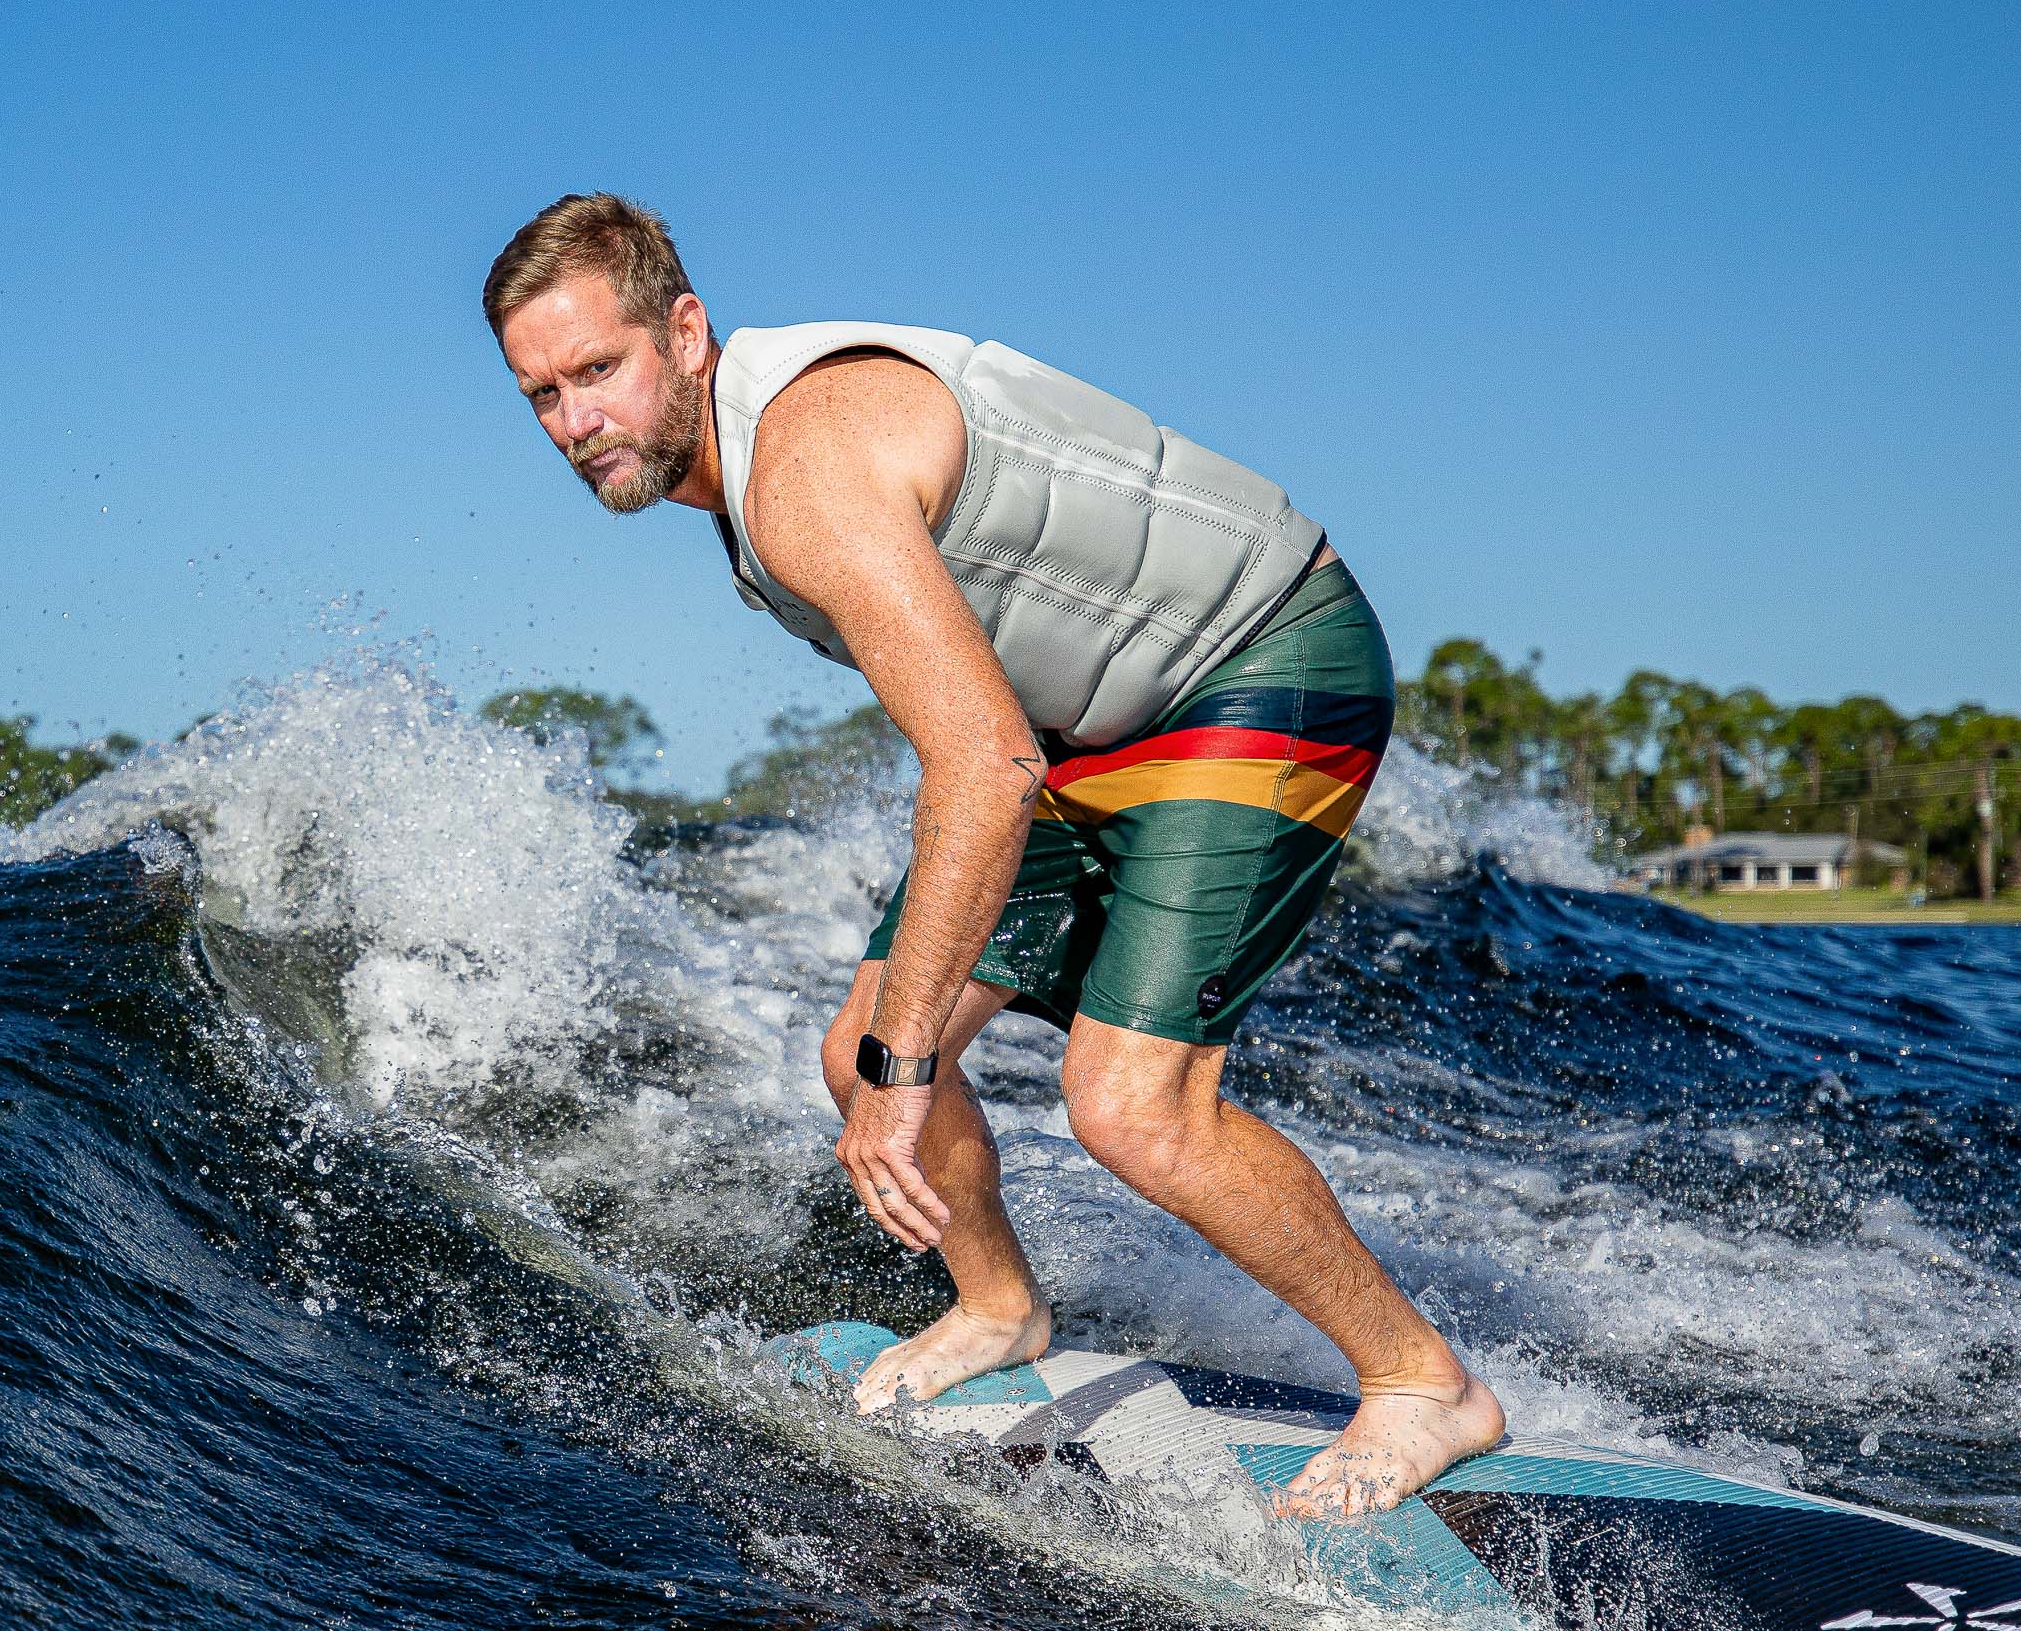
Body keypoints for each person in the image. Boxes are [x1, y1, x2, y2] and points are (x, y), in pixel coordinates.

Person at [483, 193, 1502, 1518]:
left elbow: (984, 767)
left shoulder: (800, 467)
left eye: (597, 371)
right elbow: (994, 736)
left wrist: (910, 1071)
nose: (575, 423)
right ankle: (1000, 1306)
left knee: (1129, 1103)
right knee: (859, 1045)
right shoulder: (745, 488)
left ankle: (1424, 1379)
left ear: (685, 331)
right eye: (542, 395)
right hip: (1084, 730)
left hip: (1260, 661)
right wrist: (889, 1048)